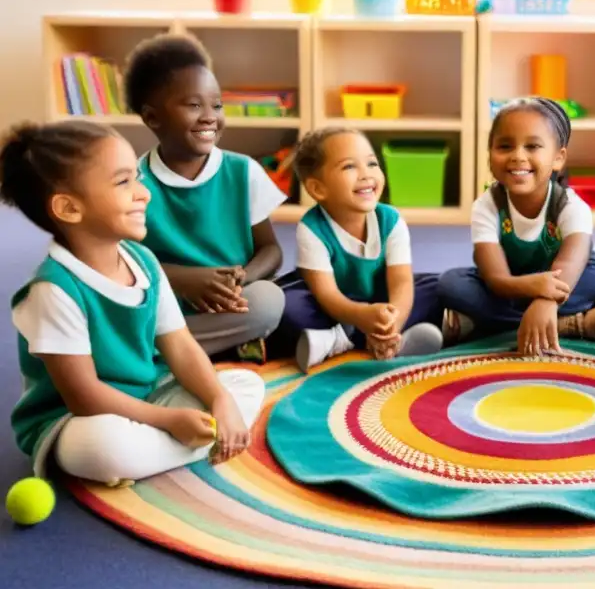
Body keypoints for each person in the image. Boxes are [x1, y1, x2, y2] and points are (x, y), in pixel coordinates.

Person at [1, 121, 264, 486]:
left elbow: (182, 348)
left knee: (245, 386)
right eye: (124, 182)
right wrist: (170, 421)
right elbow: (84, 397)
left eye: (137, 178)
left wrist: (219, 399)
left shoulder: (144, 261)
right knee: (106, 448)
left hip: (150, 393)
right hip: (78, 420)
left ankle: (169, 447)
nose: (144, 194)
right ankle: (174, 446)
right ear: (69, 208)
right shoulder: (53, 290)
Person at [123, 34, 286, 364]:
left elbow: (271, 249)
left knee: (270, 299)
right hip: (168, 307)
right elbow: (122, 264)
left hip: (234, 304)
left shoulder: (243, 171)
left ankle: (162, 354)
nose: (210, 116)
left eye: (217, 104)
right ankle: (200, 348)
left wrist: (244, 279)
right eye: (194, 105)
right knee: (112, 308)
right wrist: (183, 280)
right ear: (153, 117)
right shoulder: (135, 184)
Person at [437, 97, 595, 355]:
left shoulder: (571, 206)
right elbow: (497, 278)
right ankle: (569, 325)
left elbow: (569, 267)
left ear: (558, 159)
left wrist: (546, 301)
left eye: (533, 146)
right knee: (451, 284)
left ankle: (484, 325)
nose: (517, 156)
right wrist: (532, 287)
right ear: (490, 154)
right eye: (504, 146)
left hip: (565, 281)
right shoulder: (486, 206)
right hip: (513, 283)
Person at [277, 127, 444, 372]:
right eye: (349, 167)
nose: (366, 174)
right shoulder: (312, 228)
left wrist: (392, 324)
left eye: (372, 164)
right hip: (334, 308)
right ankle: (353, 338)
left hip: (380, 303)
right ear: (318, 189)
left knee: (438, 287)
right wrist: (362, 316)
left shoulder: (391, 220)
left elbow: (401, 283)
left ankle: (368, 341)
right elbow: (328, 296)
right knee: (289, 306)